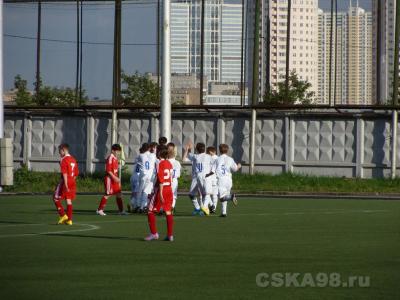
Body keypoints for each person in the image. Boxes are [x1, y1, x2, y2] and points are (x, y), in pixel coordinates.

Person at [145, 145, 175, 241]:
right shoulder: (169, 163)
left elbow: (160, 180)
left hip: (161, 190)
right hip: (169, 189)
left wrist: (160, 193)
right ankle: (170, 235)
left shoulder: (160, 164)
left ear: (159, 153)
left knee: (150, 210)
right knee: (168, 211)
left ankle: (154, 233)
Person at [183, 142, 213, 216]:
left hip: (197, 177)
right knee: (204, 193)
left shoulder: (196, 156)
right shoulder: (208, 156)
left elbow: (184, 159)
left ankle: (206, 207)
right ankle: (199, 208)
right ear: (204, 149)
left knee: (200, 194)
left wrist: (187, 149)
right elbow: (215, 163)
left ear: (196, 149)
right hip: (201, 177)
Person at [96, 144, 127, 216]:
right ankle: (100, 210)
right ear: (113, 150)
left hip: (114, 178)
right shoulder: (110, 158)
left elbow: (114, 170)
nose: (118, 153)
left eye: (119, 151)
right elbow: (108, 170)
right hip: (110, 179)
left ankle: (121, 210)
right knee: (108, 194)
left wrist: (117, 178)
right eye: (117, 151)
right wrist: (114, 177)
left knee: (119, 194)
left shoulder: (115, 158)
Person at [53, 143, 79, 225]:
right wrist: (71, 181)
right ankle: (69, 220)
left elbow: (64, 173)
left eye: (60, 151)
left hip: (65, 181)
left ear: (63, 150)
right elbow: (76, 173)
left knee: (55, 197)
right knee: (68, 200)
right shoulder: (73, 159)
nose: (59, 153)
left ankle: (63, 215)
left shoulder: (64, 160)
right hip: (73, 181)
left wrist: (66, 184)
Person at [215, 144, 241, 217]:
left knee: (222, 198)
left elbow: (213, 170)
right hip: (229, 180)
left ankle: (231, 197)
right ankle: (224, 212)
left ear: (219, 150)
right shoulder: (230, 159)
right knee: (225, 195)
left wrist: (208, 175)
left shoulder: (217, 159)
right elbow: (235, 169)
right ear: (227, 150)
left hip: (221, 180)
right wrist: (239, 166)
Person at [138, 143, 156, 213]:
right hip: (150, 175)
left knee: (140, 191)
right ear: (149, 148)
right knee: (146, 191)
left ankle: (138, 205)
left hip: (142, 175)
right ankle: (143, 206)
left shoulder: (141, 155)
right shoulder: (153, 155)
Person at [128, 145, 143, 213]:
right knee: (137, 193)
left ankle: (132, 205)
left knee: (134, 192)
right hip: (138, 177)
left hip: (133, 176)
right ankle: (133, 204)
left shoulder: (137, 157)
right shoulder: (143, 157)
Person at [167, 142, 181, 210]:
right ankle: (172, 206)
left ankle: (163, 208)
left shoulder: (166, 161)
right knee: (174, 195)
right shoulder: (177, 162)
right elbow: (178, 175)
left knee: (165, 194)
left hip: (167, 180)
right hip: (175, 179)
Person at [206, 146, 218, 214]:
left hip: (212, 178)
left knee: (211, 194)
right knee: (211, 194)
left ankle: (213, 207)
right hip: (212, 178)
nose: (208, 153)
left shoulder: (215, 158)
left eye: (208, 152)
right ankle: (213, 207)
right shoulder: (217, 158)